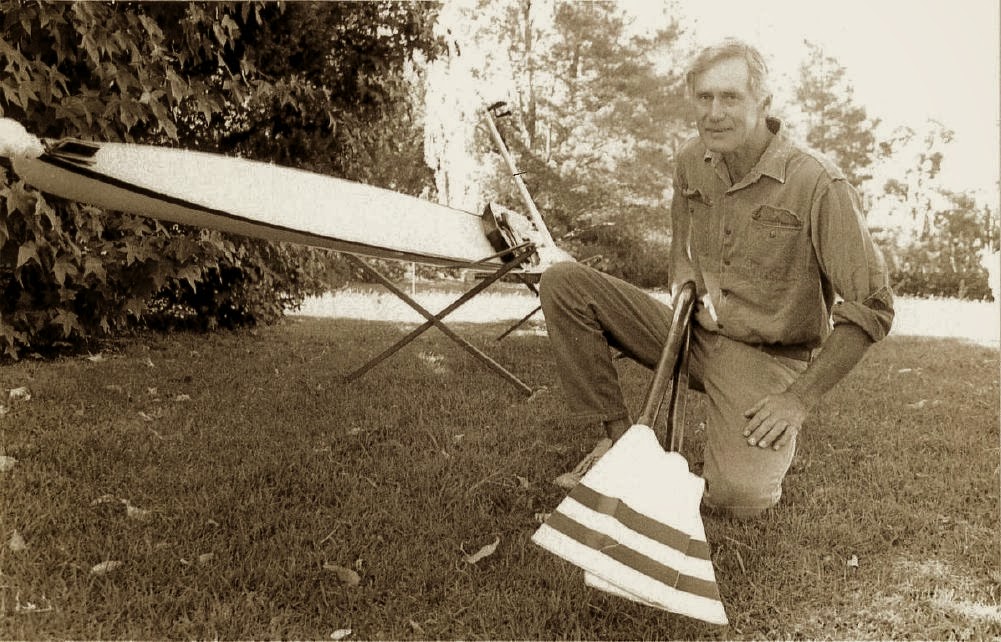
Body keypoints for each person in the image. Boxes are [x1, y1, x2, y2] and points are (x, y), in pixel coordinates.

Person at [538, 38, 894, 519]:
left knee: (738, 500)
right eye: (704, 97)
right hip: (695, 333)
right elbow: (680, 245)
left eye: (730, 97)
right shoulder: (691, 159)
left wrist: (797, 400)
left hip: (766, 358)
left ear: (763, 104)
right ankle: (620, 445)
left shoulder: (817, 183)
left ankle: (741, 442)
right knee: (564, 283)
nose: (714, 113)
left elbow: (874, 306)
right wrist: (684, 283)